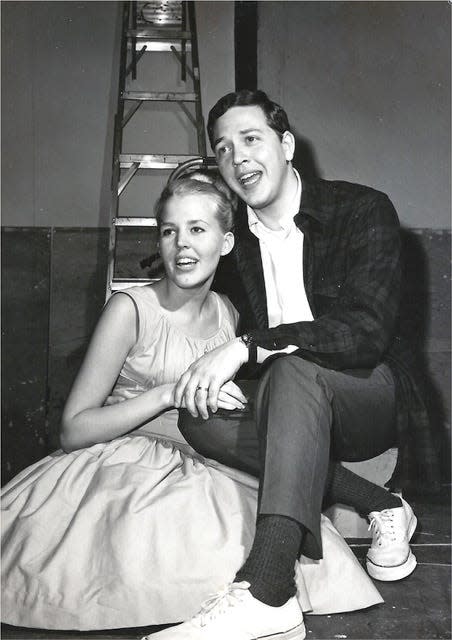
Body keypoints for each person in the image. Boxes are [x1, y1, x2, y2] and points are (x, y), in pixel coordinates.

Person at [1, 175, 382, 632]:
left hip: (207, 463)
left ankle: (282, 589)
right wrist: (168, 393)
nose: (181, 244)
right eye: (169, 230)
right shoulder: (129, 309)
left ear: (226, 243)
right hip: (122, 467)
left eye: (198, 229)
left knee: (275, 543)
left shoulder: (231, 316)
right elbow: (73, 430)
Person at [144, 90, 439, 640]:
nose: (239, 158)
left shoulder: (363, 210)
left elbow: (365, 333)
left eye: (251, 139)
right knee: (197, 413)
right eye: (224, 149)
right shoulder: (236, 246)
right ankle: (381, 505)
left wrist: (249, 345)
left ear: (285, 144)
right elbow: (178, 256)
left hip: (367, 395)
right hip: (291, 413)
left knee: (292, 366)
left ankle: (268, 590)